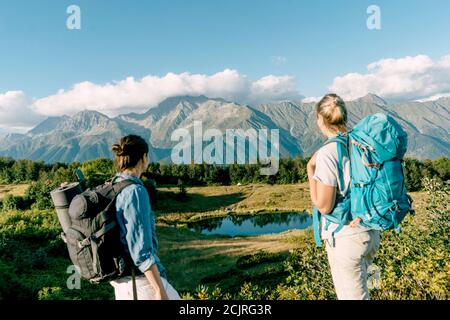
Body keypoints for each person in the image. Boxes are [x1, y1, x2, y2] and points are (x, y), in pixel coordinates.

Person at [307, 94, 381, 300]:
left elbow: (323, 206)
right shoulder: (362, 143)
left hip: (346, 237)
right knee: (367, 292)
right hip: (371, 233)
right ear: (345, 116)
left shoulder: (329, 152)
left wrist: (309, 170)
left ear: (320, 119)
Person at [109, 134, 180, 300]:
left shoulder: (114, 185)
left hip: (122, 284)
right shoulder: (134, 191)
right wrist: (159, 290)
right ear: (144, 157)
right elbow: (141, 250)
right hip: (140, 282)